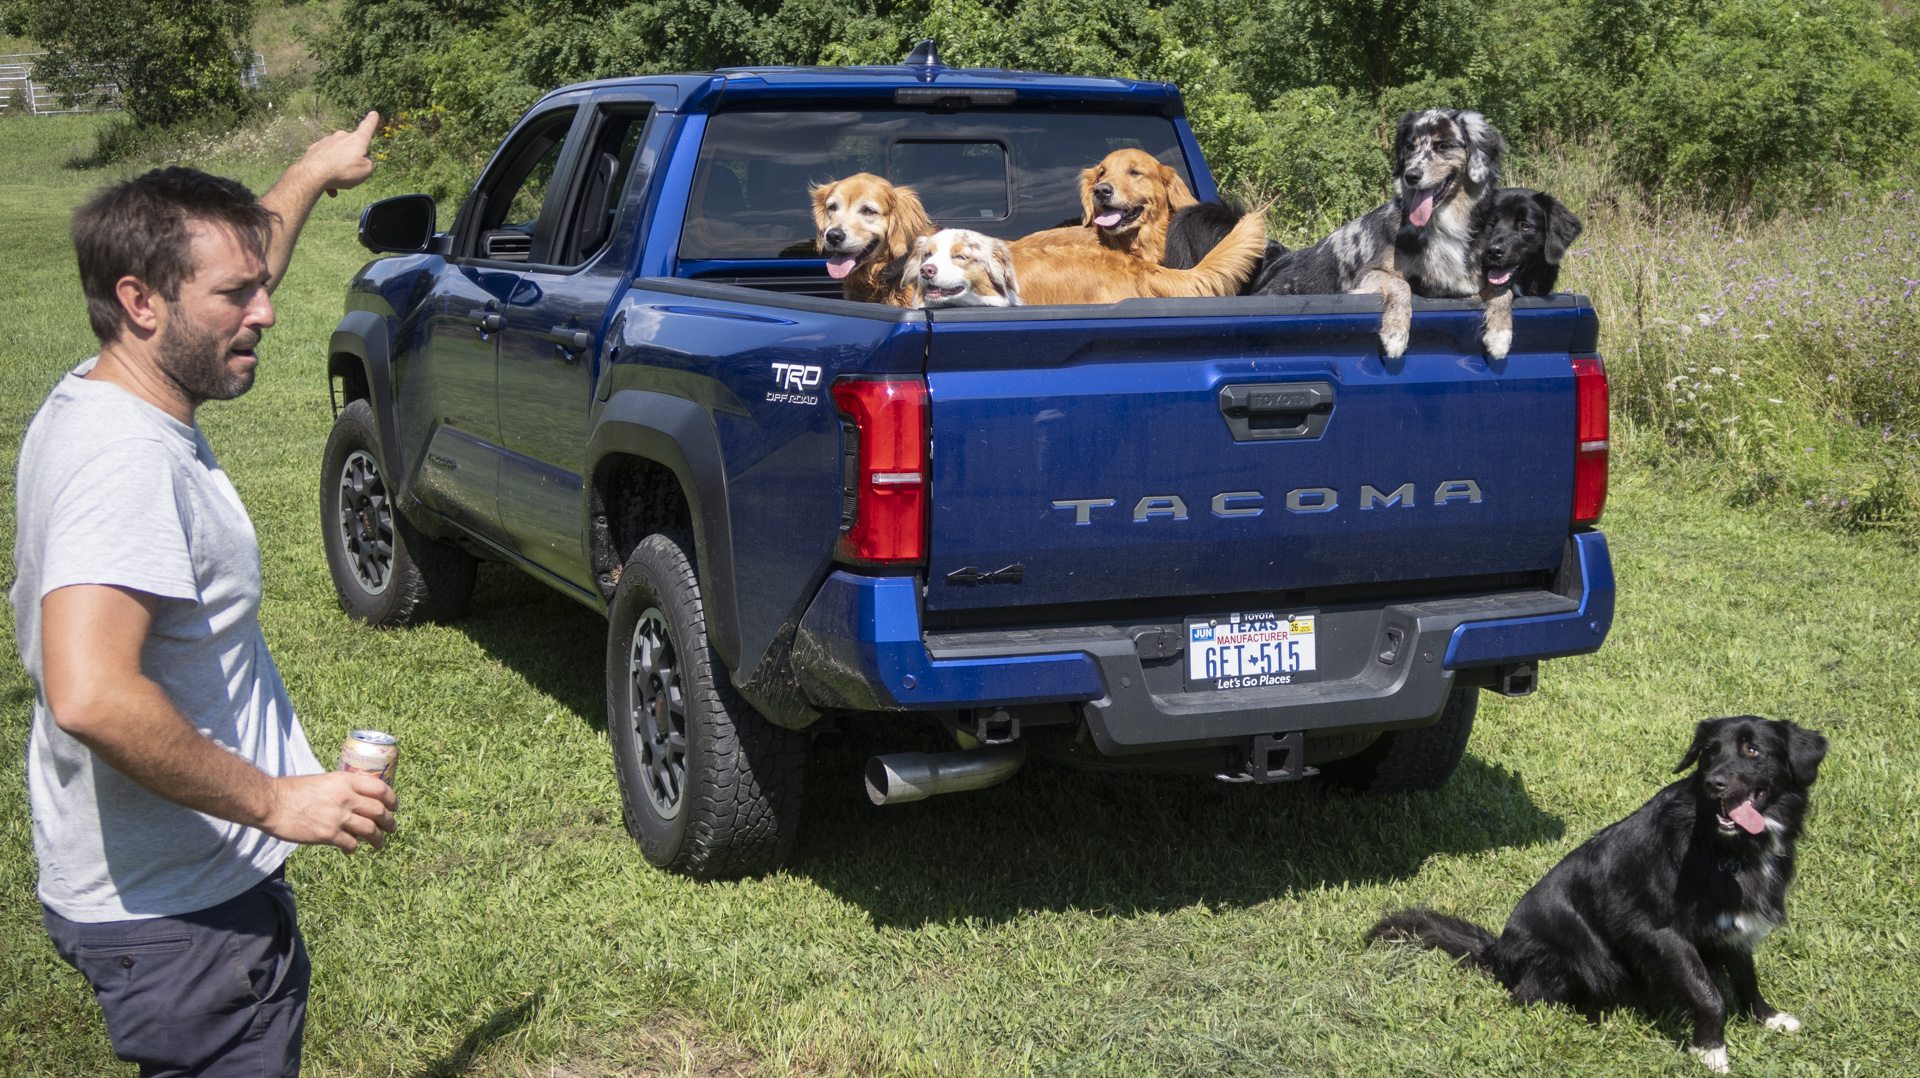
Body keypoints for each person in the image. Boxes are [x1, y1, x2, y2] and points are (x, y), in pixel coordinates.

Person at [10, 113, 393, 1077]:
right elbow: (90, 692)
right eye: (237, 295)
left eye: (259, 284)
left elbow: (240, 260)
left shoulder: (106, 391)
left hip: (154, 891)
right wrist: (275, 802)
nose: (265, 309)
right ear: (140, 300)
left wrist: (312, 170)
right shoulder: (126, 465)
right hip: (181, 918)